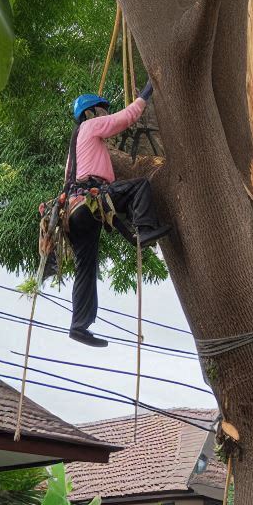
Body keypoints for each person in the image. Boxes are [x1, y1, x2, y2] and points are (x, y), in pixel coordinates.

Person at [64, 85, 171, 347]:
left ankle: (79, 325)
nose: (104, 114)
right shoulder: (90, 126)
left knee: (85, 268)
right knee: (139, 187)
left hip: (74, 213)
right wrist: (144, 95)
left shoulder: (74, 147)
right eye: (101, 110)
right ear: (90, 112)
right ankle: (144, 230)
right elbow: (124, 119)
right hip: (90, 200)